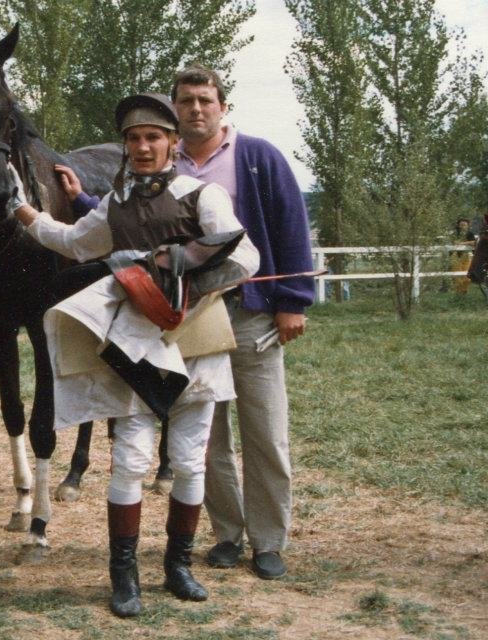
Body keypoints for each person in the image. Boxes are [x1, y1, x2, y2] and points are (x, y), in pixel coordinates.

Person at [12, 93, 258, 617]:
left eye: (153, 137)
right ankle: (123, 577)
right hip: (136, 347)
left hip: (195, 341)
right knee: (130, 460)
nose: (143, 147)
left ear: (172, 142)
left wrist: (179, 282)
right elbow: (74, 242)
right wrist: (24, 211)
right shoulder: (115, 203)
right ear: (125, 146)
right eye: (134, 138)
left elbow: (245, 256)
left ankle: (178, 567)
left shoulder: (202, 195)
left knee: (188, 461)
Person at [170, 65, 314, 580]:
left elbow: (291, 225)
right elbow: (125, 218)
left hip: (252, 312)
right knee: (206, 434)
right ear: (175, 109)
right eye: (186, 101)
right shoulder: (165, 163)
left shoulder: (257, 157)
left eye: (205, 100)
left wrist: (293, 301)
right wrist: (80, 199)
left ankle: (268, 540)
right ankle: (226, 534)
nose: (196, 109)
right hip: (193, 315)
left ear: (222, 106)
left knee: (265, 431)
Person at [450, 218, 476, 295]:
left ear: (468, 226)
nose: (463, 226)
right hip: (455, 256)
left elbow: (474, 242)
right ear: (458, 225)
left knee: (468, 276)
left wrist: (462, 243)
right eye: (461, 225)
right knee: (457, 276)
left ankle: (463, 291)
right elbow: (454, 242)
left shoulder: (470, 234)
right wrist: (467, 243)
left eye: (464, 225)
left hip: (466, 256)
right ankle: (459, 293)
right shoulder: (455, 234)